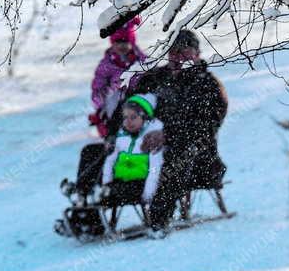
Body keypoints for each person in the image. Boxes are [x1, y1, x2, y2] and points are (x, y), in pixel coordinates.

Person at [130, 30, 228, 235]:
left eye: (183, 51)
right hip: (147, 143)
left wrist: (168, 135)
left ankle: (159, 220)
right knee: (96, 150)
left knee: (177, 155)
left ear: (196, 53)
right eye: (173, 51)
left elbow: (206, 128)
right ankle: (85, 213)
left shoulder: (207, 84)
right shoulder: (155, 78)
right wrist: (124, 132)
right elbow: (131, 104)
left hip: (198, 155)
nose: (177, 56)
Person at [100, 94, 164, 208]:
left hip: (140, 185)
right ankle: (86, 216)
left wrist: (148, 195)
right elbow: (109, 162)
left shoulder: (152, 141)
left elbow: (155, 170)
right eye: (125, 118)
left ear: (145, 118)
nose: (128, 122)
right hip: (120, 182)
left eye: (133, 117)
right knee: (106, 194)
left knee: (117, 193)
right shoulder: (121, 138)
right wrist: (106, 185)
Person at [90, 17, 147, 138]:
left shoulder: (142, 61)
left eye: (125, 41)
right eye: (118, 42)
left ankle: (143, 128)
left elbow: (153, 76)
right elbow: (97, 94)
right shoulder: (106, 65)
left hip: (138, 99)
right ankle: (115, 133)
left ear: (131, 42)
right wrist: (113, 88)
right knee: (115, 97)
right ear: (112, 42)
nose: (122, 46)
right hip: (115, 105)